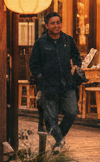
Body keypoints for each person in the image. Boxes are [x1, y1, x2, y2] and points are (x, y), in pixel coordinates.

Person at [28, 12, 82, 153]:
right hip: (48, 86)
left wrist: (76, 66)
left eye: (58, 22)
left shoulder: (67, 40)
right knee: (51, 118)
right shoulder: (41, 43)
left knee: (72, 112)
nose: (56, 25)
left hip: (67, 83)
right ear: (46, 25)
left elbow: (76, 55)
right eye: (53, 23)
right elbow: (33, 64)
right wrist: (41, 79)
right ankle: (59, 141)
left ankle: (59, 139)